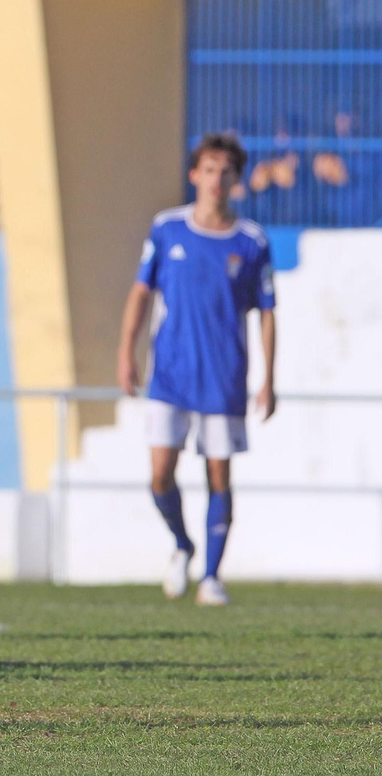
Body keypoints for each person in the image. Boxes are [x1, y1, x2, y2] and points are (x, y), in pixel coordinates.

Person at [117, 133, 276, 607]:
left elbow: (268, 312)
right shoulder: (167, 229)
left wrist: (269, 379)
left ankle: (211, 576)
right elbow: (141, 293)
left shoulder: (251, 241)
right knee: (160, 475)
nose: (216, 179)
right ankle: (183, 544)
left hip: (223, 378)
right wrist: (126, 353)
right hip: (170, 375)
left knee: (219, 475)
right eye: (208, 170)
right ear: (194, 175)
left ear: (236, 179)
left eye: (225, 171)